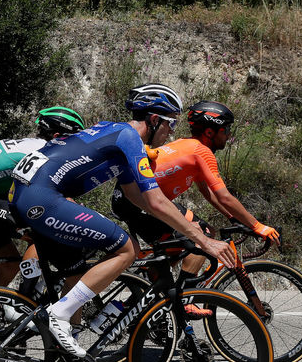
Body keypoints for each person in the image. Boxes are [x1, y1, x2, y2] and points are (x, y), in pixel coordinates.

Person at [9, 84, 235, 357]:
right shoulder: (129, 138)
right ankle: (58, 313)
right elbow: (156, 201)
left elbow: (135, 196)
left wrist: (181, 229)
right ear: (154, 120)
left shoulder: (115, 132)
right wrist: (203, 239)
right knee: (127, 249)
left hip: (27, 194)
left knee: (76, 276)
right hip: (42, 198)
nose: (171, 132)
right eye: (170, 124)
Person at [111, 100, 280, 301]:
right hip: (135, 203)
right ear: (210, 132)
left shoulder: (189, 146)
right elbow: (225, 196)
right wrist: (258, 226)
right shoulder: (201, 152)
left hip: (135, 199)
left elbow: (207, 191)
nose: (228, 135)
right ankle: (180, 296)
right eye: (225, 130)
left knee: (201, 231)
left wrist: (232, 217)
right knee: (202, 236)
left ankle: (158, 279)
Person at [0, 107, 86, 287]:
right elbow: (49, 195)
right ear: (57, 135)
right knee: (42, 230)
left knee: (9, 265)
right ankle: (25, 297)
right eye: (72, 138)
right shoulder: (43, 153)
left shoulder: (31, 144)